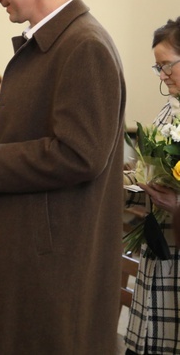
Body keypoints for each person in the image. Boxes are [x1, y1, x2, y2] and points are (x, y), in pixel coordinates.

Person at [0, 0, 126, 354]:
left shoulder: (84, 46)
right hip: (24, 249)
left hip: (50, 260)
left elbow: (80, 154)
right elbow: (37, 132)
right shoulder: (56, 42)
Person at [123, 18, 180, 355]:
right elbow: (146, 167)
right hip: (160, 248)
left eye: (167, 66)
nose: (162, 76)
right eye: (157, 68)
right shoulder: (167, 111)